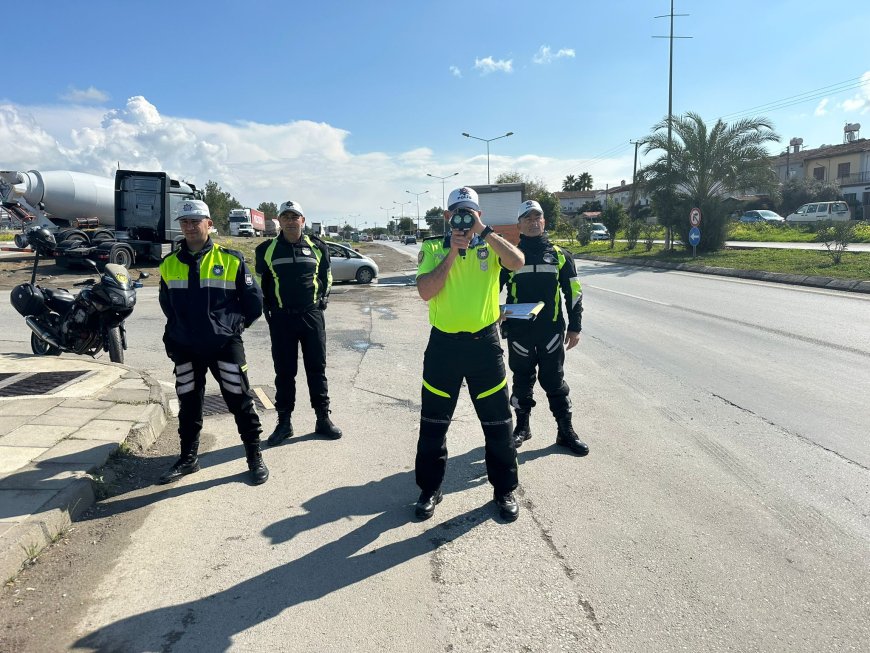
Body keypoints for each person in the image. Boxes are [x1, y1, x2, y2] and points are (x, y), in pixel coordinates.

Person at [414, 186, 525, 522]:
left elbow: (517, 262)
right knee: (433, 424)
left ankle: (504, 490)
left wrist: (484, 232)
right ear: (447, 216)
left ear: (478, 214)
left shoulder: (490, 245)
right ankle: (430, 489)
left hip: (484, 346)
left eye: (470, 212)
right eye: (457, 212)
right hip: (444, 347)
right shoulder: (433, 246)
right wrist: (452, 253)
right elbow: (425, 291)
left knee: (498, 424)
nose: (463, 218)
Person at [158, 199, 269, 485]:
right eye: (185, 222)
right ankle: (188, 459)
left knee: (240, 401)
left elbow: (254, 303)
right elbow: (167, 305)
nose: (190, 227)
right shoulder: (169, 264)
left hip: (224, 346)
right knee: (189, 403)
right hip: (186, 347)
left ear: (209, 224)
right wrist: (178, 332)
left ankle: (254, 457)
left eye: (196, 221)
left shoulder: (230, 259)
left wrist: (233, 328)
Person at [500, 200, 589, 456]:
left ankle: (565, 431)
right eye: (526, 218)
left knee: (554, 381)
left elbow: (573, 294)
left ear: (544, 221)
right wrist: (494, 314)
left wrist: (575, 327)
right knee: (522, 381)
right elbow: (491, 289)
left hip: (550, 330)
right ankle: (522, 428)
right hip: (519, 332)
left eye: (537, 216)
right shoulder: (510, 255)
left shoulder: (560, 255)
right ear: (519, 224)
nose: (532, 221)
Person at [255, 200, 342, 445]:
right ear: (279, 221)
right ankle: (284, 423)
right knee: (284, 373)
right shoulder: (267, 249)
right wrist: (269, 310)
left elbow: (326, 276)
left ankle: (322, 418)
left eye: (295, 217)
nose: (291, 221)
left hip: (311, 316)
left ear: (302, 221)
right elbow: (264, 282)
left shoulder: (317, 246)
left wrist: (322, 301)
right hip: (282, 319)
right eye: (286, 217)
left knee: (317, 370)